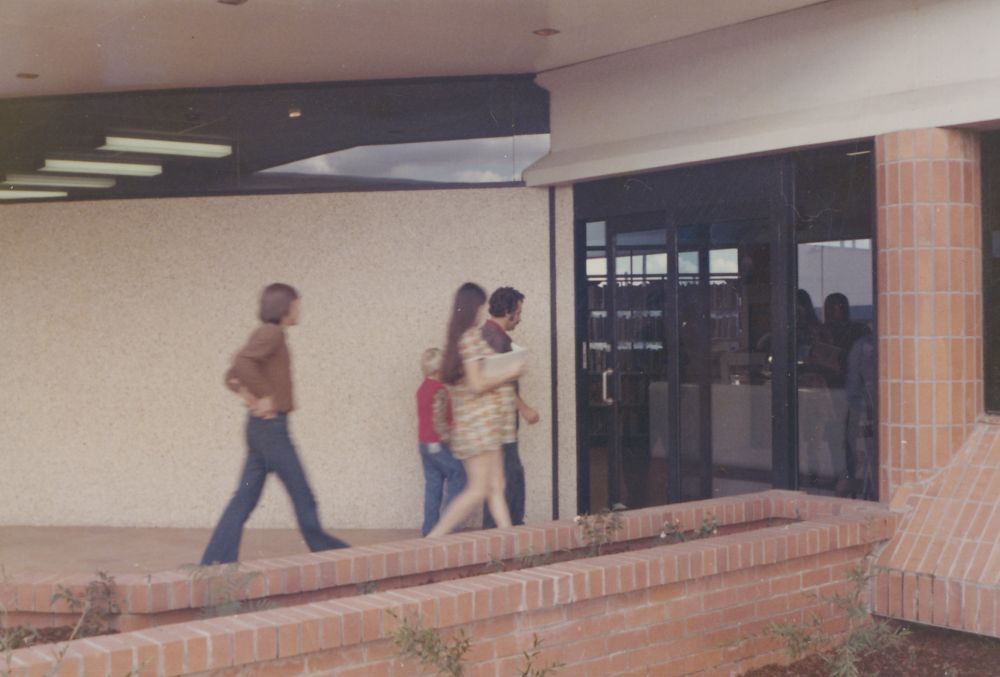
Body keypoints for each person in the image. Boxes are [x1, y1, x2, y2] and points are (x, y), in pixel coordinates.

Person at [200, 283, 349, 565]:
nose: (299, 310)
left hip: (260, 431)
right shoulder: (272, 333)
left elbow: (232, 376)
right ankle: (340, 559)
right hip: (272, 433)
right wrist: (265, 396)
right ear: (285, 308)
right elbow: (241, 363)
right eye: (296, 305)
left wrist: (250, 398)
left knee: (243, 499)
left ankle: (213, 565)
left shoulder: (267, 334)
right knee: (303, 496)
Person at [425, 283, 524, 537]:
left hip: (481, 427)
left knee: (495, 486)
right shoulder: (469, 339)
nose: (483, 312)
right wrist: (510, 372)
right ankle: (434, 539)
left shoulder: (458, 339)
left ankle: (510, 543)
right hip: (479, 428)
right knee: (479, 490)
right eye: (480, 306)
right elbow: (478, 383)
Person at [480, 287, 539, 528]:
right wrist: (525, 409)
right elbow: (500, 382)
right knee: (511, 480)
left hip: (490, 423)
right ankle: (509, 535)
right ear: (508, 311)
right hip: (501, 423)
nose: (520, 317)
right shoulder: (497, 339)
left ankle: (496, 535)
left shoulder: (485, 333)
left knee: (499, 482)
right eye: (519, 311)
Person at [416, 347, 466, 536]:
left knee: (433, 485)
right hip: (438, 443)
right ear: (439, 369)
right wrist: (452, 440)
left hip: (424, 444)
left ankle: (429, 528)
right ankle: (448, 524)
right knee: (458, 474)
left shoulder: (422, 388)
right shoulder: (439, 390)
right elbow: (439, 421)